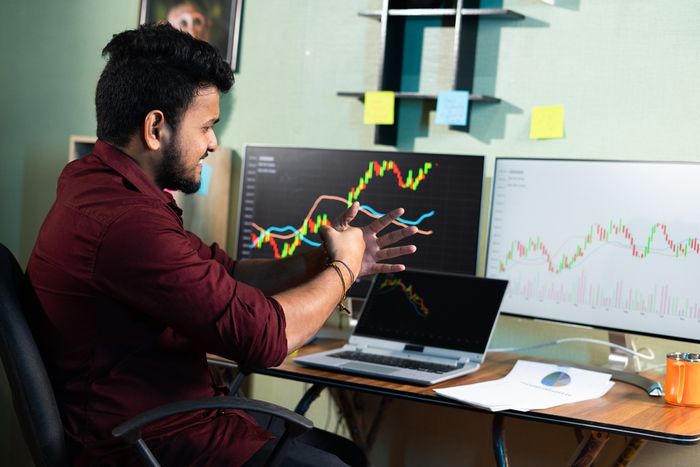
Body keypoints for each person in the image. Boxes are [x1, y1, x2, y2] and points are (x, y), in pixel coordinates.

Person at [27, 23, 417, 466]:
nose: (213, 143)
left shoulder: (99, 185)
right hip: (152, 443)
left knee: (344, 454)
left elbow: (224, 272)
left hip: (175, 417)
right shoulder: (127, 223)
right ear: (156, 128)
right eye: (207, 126)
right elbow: (267, 339)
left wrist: (323, 259)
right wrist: (343, 272)